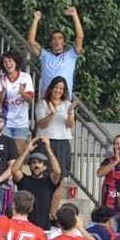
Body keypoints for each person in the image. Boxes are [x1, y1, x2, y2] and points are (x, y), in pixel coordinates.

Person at [34, 76, 77, 213]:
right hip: (45, 141)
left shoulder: (66, 104)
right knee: (42, 178)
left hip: (63, 143)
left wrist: (70, 113)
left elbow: (70, 125)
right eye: (56, 87)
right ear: (51, 88)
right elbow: (42, 124)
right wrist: (52, 113)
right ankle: (39, 211)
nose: (58, 90)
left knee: (59, 181)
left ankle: (52, 215)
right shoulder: (42, 103)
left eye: (61, 88)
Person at [27, 7, 85, 97]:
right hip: (46, 101)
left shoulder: (71, 55)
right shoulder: (45, 56)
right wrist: (36, 19)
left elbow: (80, 37)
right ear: (51, 43)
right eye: (54, 38)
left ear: (64, 42)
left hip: (64, 101)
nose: (57, 40)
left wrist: (74, 15)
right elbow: (31, 41)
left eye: (60, 38)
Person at [11, 137, 62, 230]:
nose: (36, 165)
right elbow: (14, 170)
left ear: (45, 167)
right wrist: (27, 150)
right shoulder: (24, 180)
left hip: (44, 228)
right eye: (33, 162)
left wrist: (48, 149)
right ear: (30, 167)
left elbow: (57, 172)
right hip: (24, 227)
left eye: (40, 162)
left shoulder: (49, 181)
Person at [0, 50, 34, 156]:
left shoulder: (25, 77)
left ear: (16, 62)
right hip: (5, 122)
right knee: (4, 154)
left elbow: (30, 100)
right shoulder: (0, 78)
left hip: (21, 123)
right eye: (5, 62)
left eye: (10, 61)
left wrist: (22, 93)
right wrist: (4, 89)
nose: (8, 64)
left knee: (17, 155)